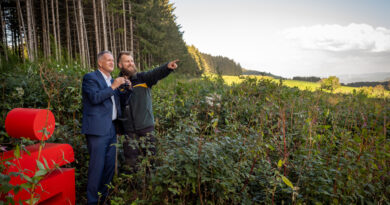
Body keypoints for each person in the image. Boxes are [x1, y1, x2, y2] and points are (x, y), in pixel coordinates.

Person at [116, 51, 178, 173]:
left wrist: (166, 68)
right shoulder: (117, 84)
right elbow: (116, 108)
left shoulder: (143, 78)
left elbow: (155, 73)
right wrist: (118, 129)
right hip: (128, 131)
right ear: (120, 65)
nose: (131, 63)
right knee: (130, 163)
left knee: (151, 162)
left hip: (146, 128)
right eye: (127, 61)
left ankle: (151, 187)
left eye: (132, 61)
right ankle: (133, 188)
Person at [81, 50, 128, 204]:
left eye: (113, 60)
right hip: (97, 131)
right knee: (97, 168)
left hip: (112, 129)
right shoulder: (90, 78)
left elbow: (119, 102)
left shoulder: (112, 80)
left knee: (108, 167)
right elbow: (94, 98)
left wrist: (127, 89)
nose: (112, 62)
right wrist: (114, 86)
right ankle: (92, 201)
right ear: (100, 63)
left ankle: (104, 199)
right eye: (108, 60)